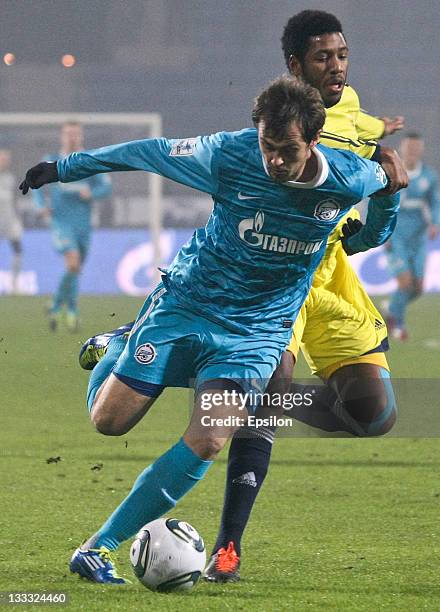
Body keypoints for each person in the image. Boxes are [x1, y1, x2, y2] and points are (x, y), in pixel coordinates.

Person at [20, 76, 399, 584]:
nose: (275, 162)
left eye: (287, 150)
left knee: (211, 435)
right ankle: (120, 344)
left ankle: (97, 547)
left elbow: (376, 225)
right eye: (268, 146)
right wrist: (65, 167)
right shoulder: (228, 154)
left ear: (313, 141)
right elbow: (147, 151)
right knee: (109, 422)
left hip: (258, 329)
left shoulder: (351, 177)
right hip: (188, 304)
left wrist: (392, 193)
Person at [203, 9, 408, 583]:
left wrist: (389, 195)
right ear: (295, 64)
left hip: (331, 277)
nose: (337, 66)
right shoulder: (271, 126)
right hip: (277, 279)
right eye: (324, 56)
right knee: (273, 386)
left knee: (375, 416)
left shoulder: (359, 122)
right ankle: (227, 549)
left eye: (342, 54)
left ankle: (244, 404)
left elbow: (368, 235)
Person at [32, 122, 111, 332]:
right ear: (62, 136)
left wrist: (92, 194)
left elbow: (106, 187)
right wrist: (41, 206)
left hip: (84, 225)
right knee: (73, 263)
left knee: (75, 269)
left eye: (76, 134)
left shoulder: (90, 160)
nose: (72, 137)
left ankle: (56, 304)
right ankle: (72, 310)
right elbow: (35, 185)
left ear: (81, 136)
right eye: (68, 134)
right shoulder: (52, 161)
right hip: (61, 222)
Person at [386, 133, 440, 339]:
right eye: (409, 148)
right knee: (405, 282)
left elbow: (435, 203)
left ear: (421, 150)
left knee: (418, 287)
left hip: (418, 236)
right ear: (402, 148)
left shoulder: (428, 176)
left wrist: (435, 222)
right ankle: (397, 324)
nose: (413, 152)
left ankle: (392, 307)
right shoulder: (392, 173)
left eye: (416, 148)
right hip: (396, 235)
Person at [0, 148, 23, 294]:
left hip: (10, 220)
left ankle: (14, 284)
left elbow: (16, 199)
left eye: (5, 159)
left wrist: (17, 218)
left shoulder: (11, 178)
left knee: (17, 249)